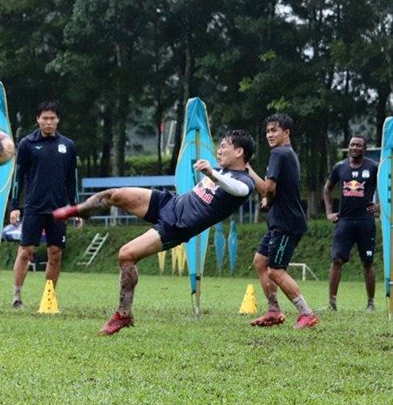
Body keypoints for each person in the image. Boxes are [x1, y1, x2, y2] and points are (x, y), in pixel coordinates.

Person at [53, 129, 256, 335]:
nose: (218, 151)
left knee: (126, 255)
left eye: (223, 146)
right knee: (116, 195)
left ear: (239, 152)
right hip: (171, 203)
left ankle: (123, 314)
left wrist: (212, 174)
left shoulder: (244, 181)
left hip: (177, 226)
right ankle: (78, 210)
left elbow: (239, 190)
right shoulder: (221, 170)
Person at [248, 114, 318, 329]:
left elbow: (268, 188)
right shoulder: (285, 154)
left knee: (275, 270)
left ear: (286, 133)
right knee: (260, 262)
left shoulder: (279, 153)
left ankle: (307, 313)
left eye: (274, 130)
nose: (269, 134)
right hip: (279, 221)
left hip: (287, 223)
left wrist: (265, 196)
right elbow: (273, 190)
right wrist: (268, 199)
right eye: (268, 131)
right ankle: (274, 311)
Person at [9, 101, 81, 309]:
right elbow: (18, 177)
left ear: (57, 120)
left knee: (55, 254)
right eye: (44, 118)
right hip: (34, 207)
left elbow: (72, 180)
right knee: (26, 250)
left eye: (52, 118)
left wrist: (76, 208)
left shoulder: (68, 145)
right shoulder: (27, 144)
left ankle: (48, 298)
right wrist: (15, 206)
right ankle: (16, 297)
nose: (48, 122)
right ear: (37, 120)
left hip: (59, 210)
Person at [323, 135, 379, 312]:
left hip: (365, 221)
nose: (354, 147)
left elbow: (387, 185)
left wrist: (380, 206)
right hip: (345, 221)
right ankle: (332, 303)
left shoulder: (373, 167)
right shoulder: (340, 167)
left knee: (367, 262)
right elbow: (327, 189)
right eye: (352, 144)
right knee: (337, 260)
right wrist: (329, 212)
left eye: (358, 145)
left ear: (365, 148)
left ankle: (371, 303)